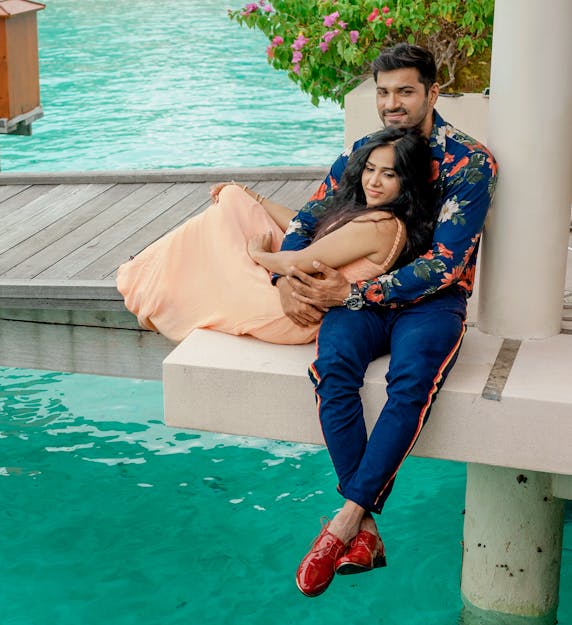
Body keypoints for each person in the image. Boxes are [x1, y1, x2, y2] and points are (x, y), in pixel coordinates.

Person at [285, 43, 497, 598]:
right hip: (354, 299)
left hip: (431, 303)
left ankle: (342, 524)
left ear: (433, 91)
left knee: (411, 382)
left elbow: (446, 263)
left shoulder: (468, 162)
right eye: (383, 92)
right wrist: (285, 280)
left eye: (405, 91)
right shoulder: (366, 152)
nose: (392, 104)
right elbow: (308, 219)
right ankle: (365, 528)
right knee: (332, 367)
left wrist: (352, 291)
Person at [116, 126, 437, 345]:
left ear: (406, 182)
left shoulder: (380, 225)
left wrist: (259, 256)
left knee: (220, 226)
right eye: (370, 169)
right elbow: (307, 227)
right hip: (295, 292)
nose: (374, 181)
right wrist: (252, 196)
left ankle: (144, 280)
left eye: (388, 174)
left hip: (291, 311)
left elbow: (297, 260)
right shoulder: (377, 217)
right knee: (234, 201)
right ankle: (148, 275)